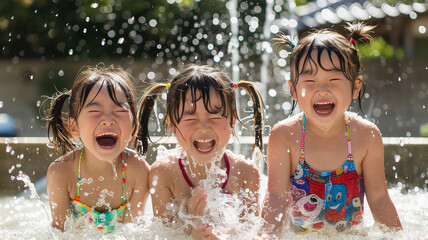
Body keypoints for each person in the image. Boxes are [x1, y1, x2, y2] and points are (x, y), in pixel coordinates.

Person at [261, 22, 402, 235]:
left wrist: (400, 236)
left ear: (355, 87)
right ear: (293, 90)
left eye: (334, 79)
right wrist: (265, 235)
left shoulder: (366, 136)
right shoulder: (284, 136)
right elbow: (275, 197)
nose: (322, 89)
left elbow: (379, 197)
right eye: (310, 80)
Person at [136, 64, 264, 239]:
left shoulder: (247, 174)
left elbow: (250, 232)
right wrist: (190, 231)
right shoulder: (164, 174)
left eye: (214, 116)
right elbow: (162, 235)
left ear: (232, 120)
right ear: (172, 124)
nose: (203, 127)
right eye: (191, 117)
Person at [46, 64, 150, 232]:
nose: (108, 120)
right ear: (74, 128)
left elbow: (133, 233)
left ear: (134, 127)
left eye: (119, 110)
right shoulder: (62, 173)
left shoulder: (138, 171)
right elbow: (59, 234)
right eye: (95, 110)